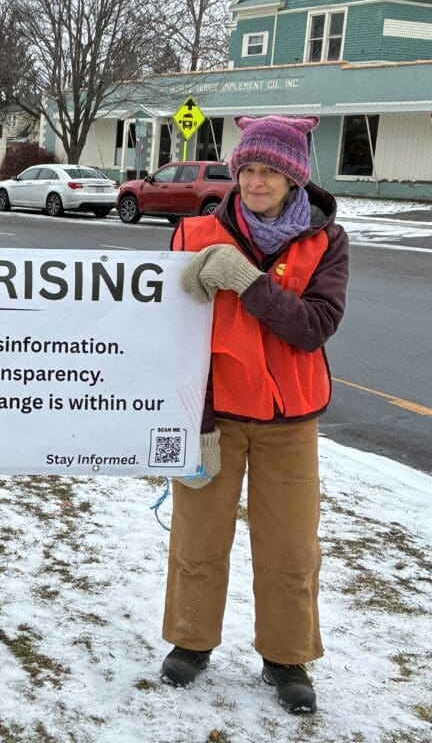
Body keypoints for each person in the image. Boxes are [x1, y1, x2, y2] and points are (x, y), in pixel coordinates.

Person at [161, 115, 348, 715]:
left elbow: (313, 327)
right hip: (213, 417)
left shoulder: (327, 242)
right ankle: (191, 642)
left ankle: (286, 656)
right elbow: (174, 337)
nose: (256, 180)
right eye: (248, 168)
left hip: (289, 421)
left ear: (295, 178)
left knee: (291, 546)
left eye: (271, 170)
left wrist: (246, 282)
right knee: (198, 536)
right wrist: (198, 420)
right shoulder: (194, 234)